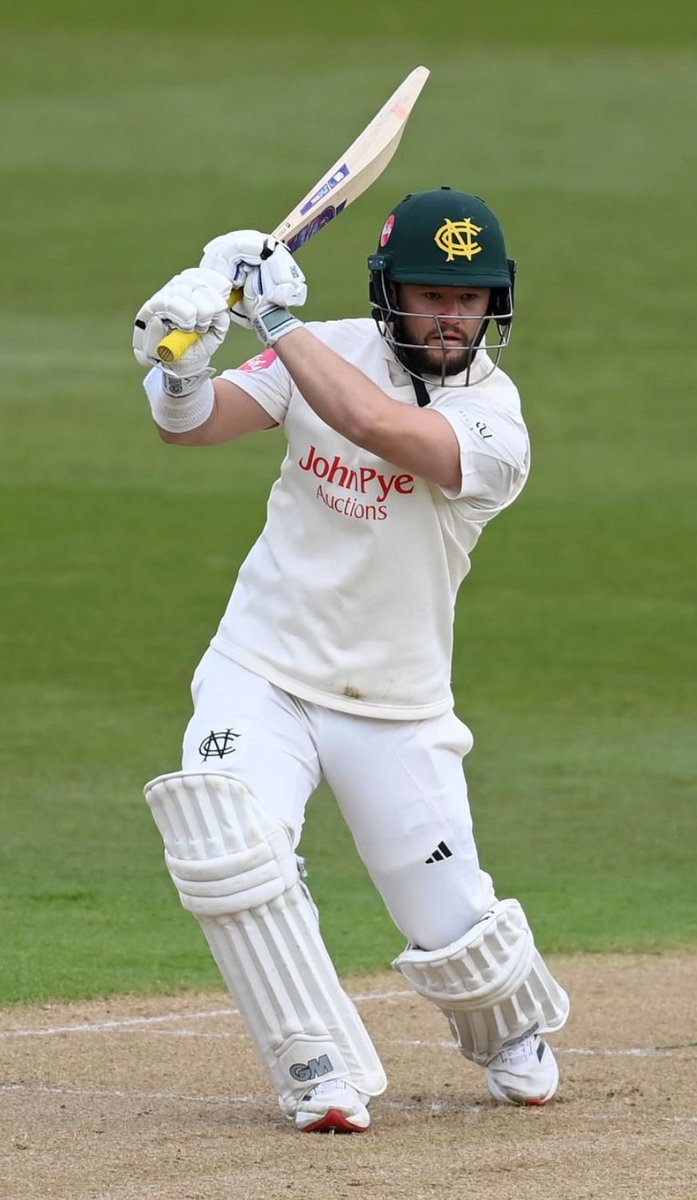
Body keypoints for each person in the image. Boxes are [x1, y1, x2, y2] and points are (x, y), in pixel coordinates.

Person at [132, 186, 569, 1134]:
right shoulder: (321, 349)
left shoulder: (496, 424)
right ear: (389, 293)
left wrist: (277, 317)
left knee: (450, 926)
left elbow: (378, 428)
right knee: (226, 842)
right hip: (262, 666)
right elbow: (189, 422)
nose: (454, 317)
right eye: (431, 294)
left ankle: (511, 1029)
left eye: (471, 298)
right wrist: (181, 350)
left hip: (395, 705)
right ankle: (316, 1063)